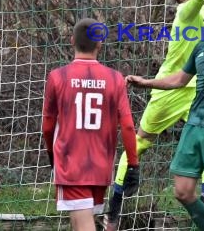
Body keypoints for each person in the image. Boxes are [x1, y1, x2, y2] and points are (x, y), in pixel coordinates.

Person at [104, 0, 204, 229]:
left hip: (196, 92)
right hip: (169, 89)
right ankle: (115, 205)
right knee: (140, 143)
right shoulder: (185, 13)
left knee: (203, 145)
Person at [126, 2, 204, 231]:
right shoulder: (200, 48)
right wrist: (146, 83)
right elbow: (179, 80)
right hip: (194, 125)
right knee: (182, 192)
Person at [42, 18, 140, 231]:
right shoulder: (115, 78)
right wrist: (133, 162)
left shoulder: (58, 77)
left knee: (83, 223)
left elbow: (48, 125)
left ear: (71, 41)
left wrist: (52, 154)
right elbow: (128, 125)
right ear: (99, 44)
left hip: (71, 162)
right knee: (80, 221)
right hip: (101, 163)